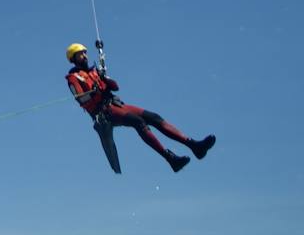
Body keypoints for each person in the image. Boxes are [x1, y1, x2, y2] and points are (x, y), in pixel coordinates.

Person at [64, 42, 215, 173]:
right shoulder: (73, 78)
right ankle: (170, 159)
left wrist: (104, 78)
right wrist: (95, 90)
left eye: (85, 52)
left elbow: (115, 87)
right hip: (104, 112)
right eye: (80, 54)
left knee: (154, 118)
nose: (85, 55)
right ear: (74, 58)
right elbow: (81, 99)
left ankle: (194, 145)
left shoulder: (94, 71)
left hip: (116, 104)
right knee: (138, 122)